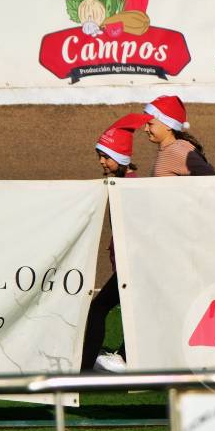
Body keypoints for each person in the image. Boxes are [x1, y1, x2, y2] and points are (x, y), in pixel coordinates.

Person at [85, 113, 151, 373]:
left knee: (99, 307)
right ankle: (123, 356)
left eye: (107, 156)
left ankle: (86, 364)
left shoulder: (130, 186)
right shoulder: (121, 182)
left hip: (132, 262)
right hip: (124, 260)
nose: (101, 161)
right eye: (99, 155)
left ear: (122, 158)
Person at [143, 95, 215, 176]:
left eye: (150, 124)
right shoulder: (171, 148)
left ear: (169, 125)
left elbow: (210, 177)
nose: (145, 129)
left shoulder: (176, 150)